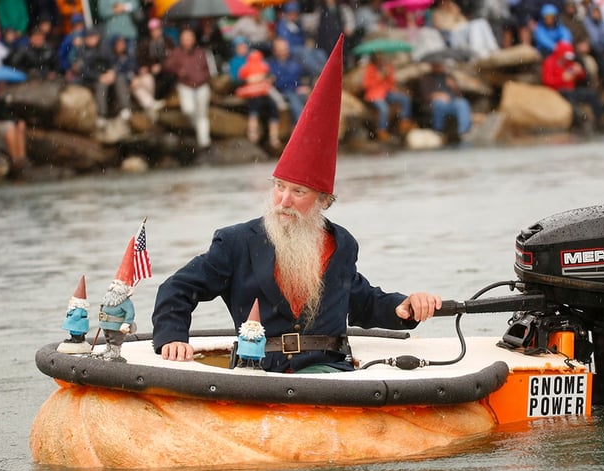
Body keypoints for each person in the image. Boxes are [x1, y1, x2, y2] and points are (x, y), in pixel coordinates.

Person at [152, 37, 442, 373]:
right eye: (279, 187)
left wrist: (405, 306)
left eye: (298, 192)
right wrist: (173, 337)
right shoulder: (236, 242)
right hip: (258, 372)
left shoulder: (342, 244)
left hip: (331, 371)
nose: (284, 200)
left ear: (323, 201)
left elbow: (362, 302)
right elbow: (179, 288)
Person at [163, 27, 211, 151]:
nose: (187, 41)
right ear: (181, 40)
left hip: (201, 86)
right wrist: (178, 71)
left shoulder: (200, 52)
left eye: (189, 38)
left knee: (202, 114)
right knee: (188, 110)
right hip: (185, 86)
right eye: (185, 39)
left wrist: (204, 78)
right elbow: (167, 66)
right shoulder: (176, 53)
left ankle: (204, 142)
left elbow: (207, 69)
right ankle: (197, 128)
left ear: (194, 39)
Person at [541, 40, 604, 131]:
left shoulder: (569, 62)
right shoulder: (549, 62)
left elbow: (582, 77)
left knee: (591, 94)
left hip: (571, 90)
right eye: (566, 56)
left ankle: (600, 119)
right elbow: (547, 82)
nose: (567, 58)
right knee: (569, 97)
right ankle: (578, 120)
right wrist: (562, 79)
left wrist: (579, 72)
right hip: (557, 92)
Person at [78, 27, 132, 126]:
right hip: (92, 79)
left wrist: (112, 72)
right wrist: (99, 77)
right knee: (101, 86)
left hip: (107, 75)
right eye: (89, 37)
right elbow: (84, 71)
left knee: (120, 79)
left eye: (93, 37)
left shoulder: (105, 46)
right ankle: (101, 115)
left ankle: (125, 109)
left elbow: (114, 61)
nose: (92, 40)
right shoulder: (83, 51)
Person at [96, 240, 138, 362]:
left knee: (115, 339)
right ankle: (108, 349)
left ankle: (114, 353)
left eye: (118, 284)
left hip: (117, 326)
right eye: (114, 283)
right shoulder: (108, 296)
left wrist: (127, 323)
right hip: (106, 324)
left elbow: (130, 313)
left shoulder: (125, 302)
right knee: (108, 338)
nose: (114, 285)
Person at [362, 52, 414, 142]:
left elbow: (391, 82)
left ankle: (404, 121)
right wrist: (379, 77)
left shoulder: (387, 67)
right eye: (379, 58)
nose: (381, 60)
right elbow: (367, 85)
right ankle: (382, 130)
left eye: (383, 58)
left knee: (405, 99)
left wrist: (388, 75)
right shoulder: (370, 68)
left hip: (387, 93)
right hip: (375, 94)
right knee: (384, 109)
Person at [236, 49, 281, 148]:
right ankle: (253, 133)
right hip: (253, 96)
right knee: (254, 111)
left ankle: (273, 137)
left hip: (264, 95)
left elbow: (271, 78)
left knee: (271, 109)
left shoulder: (263, 66)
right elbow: (240, 80)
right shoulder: (247, 67)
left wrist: (263, 79)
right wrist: (254, 79)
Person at [418, 59, 472, 138]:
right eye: (436, 65)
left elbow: (460, 95)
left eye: (440, 65)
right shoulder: (427, 78)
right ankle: (438, 131)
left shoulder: (448, 77)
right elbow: (426, 95)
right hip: (436, 103)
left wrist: (454, 86)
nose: (439, 67)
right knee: (439, 104)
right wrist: (439, 95)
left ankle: (463, 131)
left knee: (462, 103)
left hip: (452, 102)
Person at [268, 37, 311, 125]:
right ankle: (302, 126)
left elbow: (306, 73)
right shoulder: (272, 65)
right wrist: (296, 89)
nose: (285, 52)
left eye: (286, 49)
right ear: (275, 51)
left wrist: (307, 87)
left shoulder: (294, 62)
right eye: (282, 50)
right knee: (295, 101)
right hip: (285, 92)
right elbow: (279, 83)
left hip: (298, 90)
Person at [0, 80, 28, 174]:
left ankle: (21, 158)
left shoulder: (8, 96)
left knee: (20, 125)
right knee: (10, 129)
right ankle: (15, 159)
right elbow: (0, 114)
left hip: (8, 121)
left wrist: (17, 120)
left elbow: (13, 112)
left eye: (1, 84)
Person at [58, 275, 91, 354]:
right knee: (74, 333)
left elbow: (76, 316)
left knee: (77, 333)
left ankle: (77, 339)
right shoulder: (75, 308)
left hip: (77, 325)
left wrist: (70, 319)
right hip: (76, 325)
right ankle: (75, 338)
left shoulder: (79, 309)